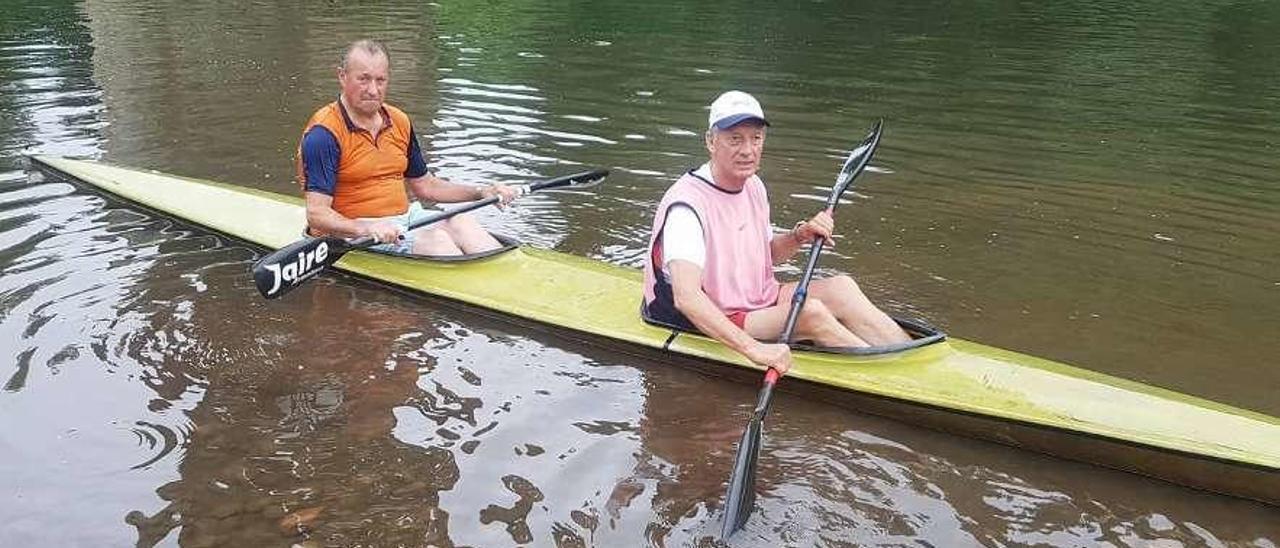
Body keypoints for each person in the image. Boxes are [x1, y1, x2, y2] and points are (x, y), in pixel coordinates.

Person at [641, 90, 911, 375]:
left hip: (754, 299)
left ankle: (911, 363)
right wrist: (754, 349)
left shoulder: (754, 185)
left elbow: (763, 256)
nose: (747, 150)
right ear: (711, 141)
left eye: (755, 138)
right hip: (713, 313)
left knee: (842, 288)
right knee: (811, 314)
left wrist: (799, 236)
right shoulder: (687, 206)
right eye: (735, 139)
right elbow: (688, 298)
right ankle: (892, 380)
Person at [296, 39, 517, 255]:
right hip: (351, 232)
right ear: (342, 77)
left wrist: (482, 192)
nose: (373, 90)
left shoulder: (399, 121)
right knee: (437, 241)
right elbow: (317, 214)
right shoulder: (323, 135)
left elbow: (426, 186)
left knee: (461, 221)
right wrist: (366, 228)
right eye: (363, 79)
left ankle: (506, 281)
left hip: (404, 218)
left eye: (380, 80)